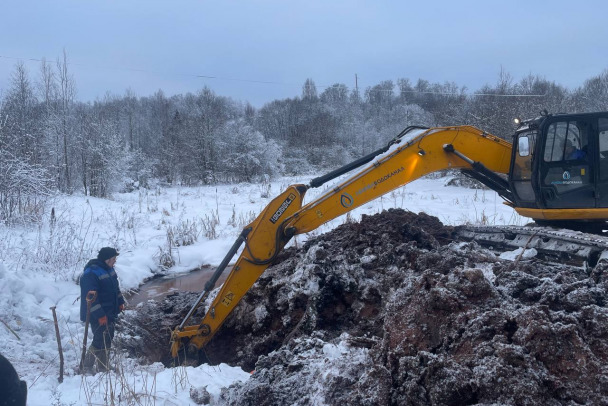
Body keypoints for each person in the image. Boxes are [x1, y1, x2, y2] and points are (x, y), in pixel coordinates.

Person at [79, 247, 125, 373]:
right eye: (114, 259)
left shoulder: (109, 269)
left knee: (108, 337)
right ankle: (85, 366)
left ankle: (103, 366)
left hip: (110, 311)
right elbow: (90, 298)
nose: (115, 261)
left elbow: (116, 289)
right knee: (99, 339)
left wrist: (120, 302)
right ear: (107, 259)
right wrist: (100, 315)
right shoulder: (91, 274)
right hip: (97, 314)